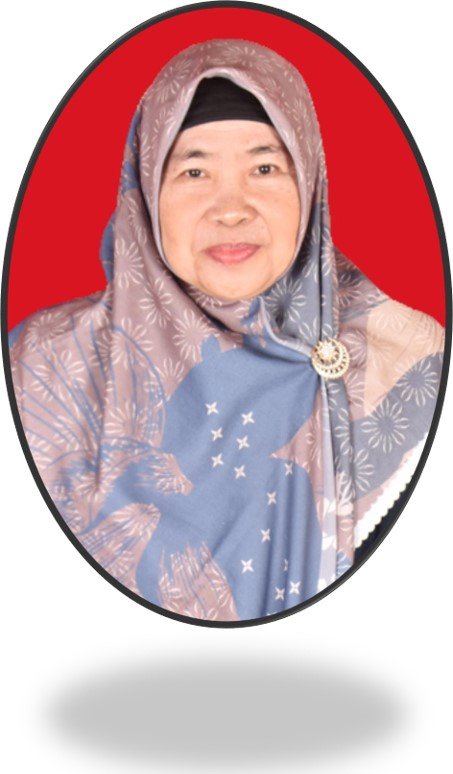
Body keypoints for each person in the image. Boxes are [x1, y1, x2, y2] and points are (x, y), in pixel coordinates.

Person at [8, 39, 444, 623]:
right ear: (146, 192)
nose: (232, 208)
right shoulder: (43, 365)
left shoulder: (409, 360)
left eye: (265, 168)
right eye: (194, 171)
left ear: (309, 182)